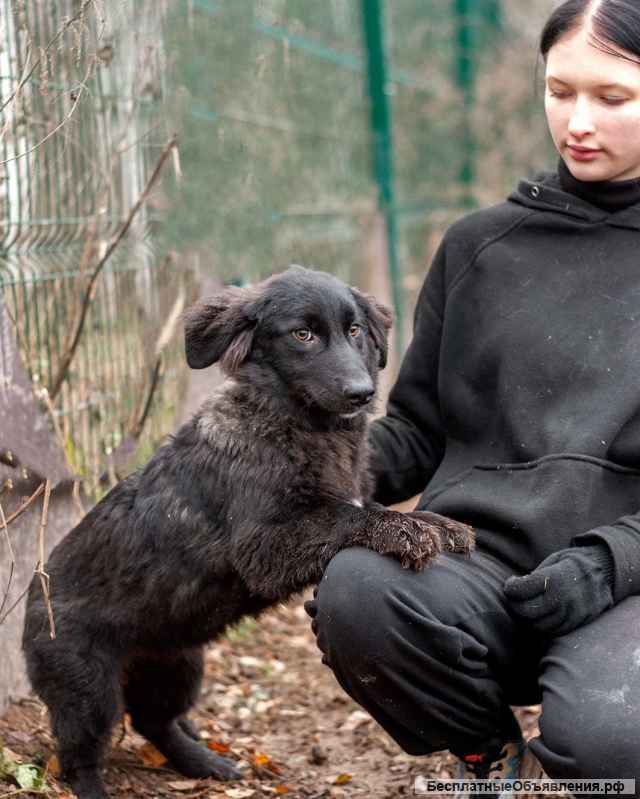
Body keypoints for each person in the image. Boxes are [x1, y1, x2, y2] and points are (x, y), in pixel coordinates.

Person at [305, 0, 640, 794]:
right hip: (483, 570)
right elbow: (419, 428)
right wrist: (308, 475)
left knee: (608, 740)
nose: (577, 121)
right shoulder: (479, 247)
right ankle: (491, 761)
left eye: (612, 97)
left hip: (625, 584)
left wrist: (608, 560)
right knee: (356, 593)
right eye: (560, 91)